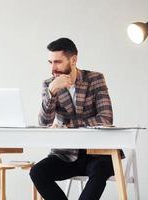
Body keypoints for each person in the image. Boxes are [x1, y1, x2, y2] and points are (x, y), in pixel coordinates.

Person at [30, 38, 116, 200]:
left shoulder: (94, 79)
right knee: (37, 172)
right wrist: (52, 93)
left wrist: (69, 125)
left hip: (97, 154)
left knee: (100, 170)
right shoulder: (49, 84)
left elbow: (106, 118)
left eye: (57, 62)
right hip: (66, 155)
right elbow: (44, 123)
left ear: (73, 60)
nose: (53, 68)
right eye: (50, 62)